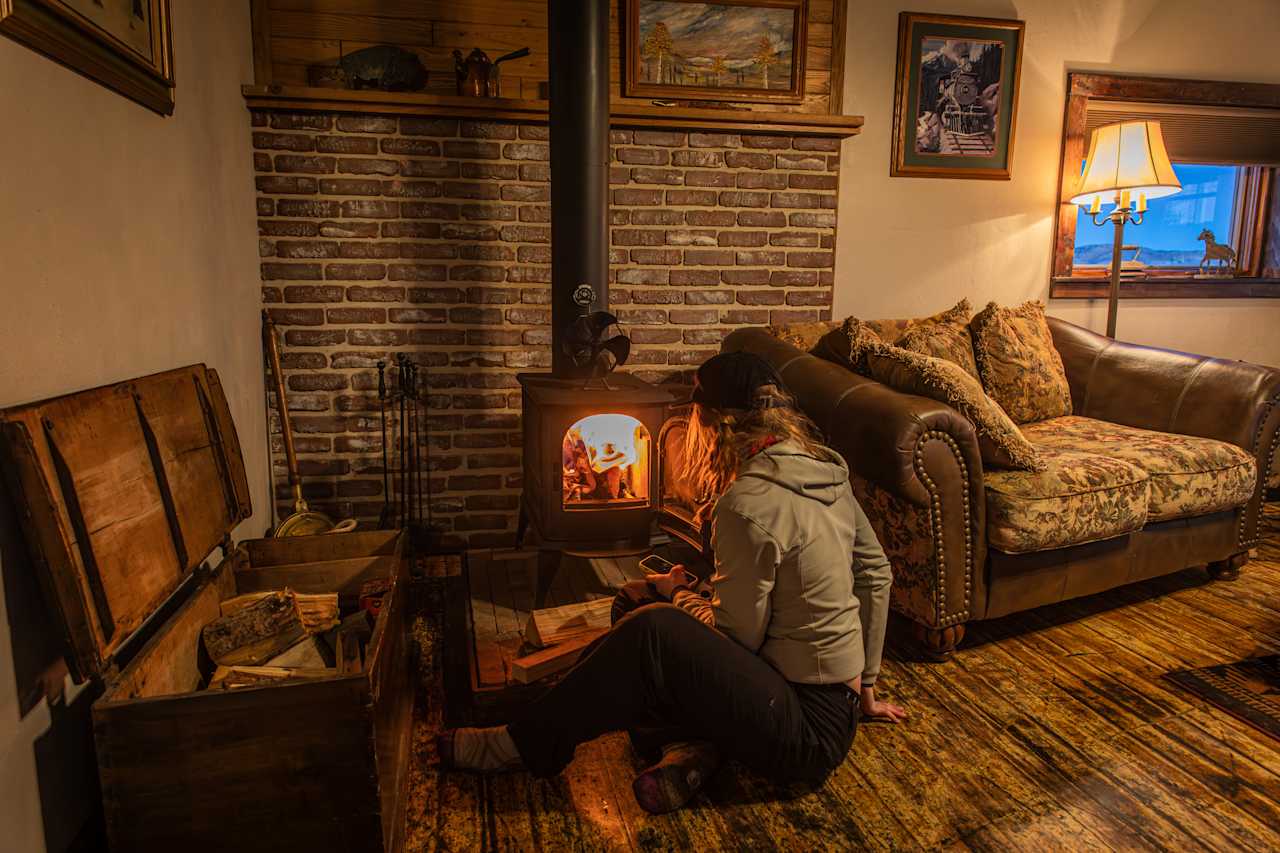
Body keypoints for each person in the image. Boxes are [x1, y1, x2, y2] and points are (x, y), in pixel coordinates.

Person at [439, 351, 905, 813]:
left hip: (802, 731)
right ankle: (693, 748)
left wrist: (678, 593)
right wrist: (865, 688)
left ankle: (525, 744)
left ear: (714, 422)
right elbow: (873, 574)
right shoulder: (826, 470)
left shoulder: (748, 502)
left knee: (654, 626)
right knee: (633, 601)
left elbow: (734, 636)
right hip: (833, 708)